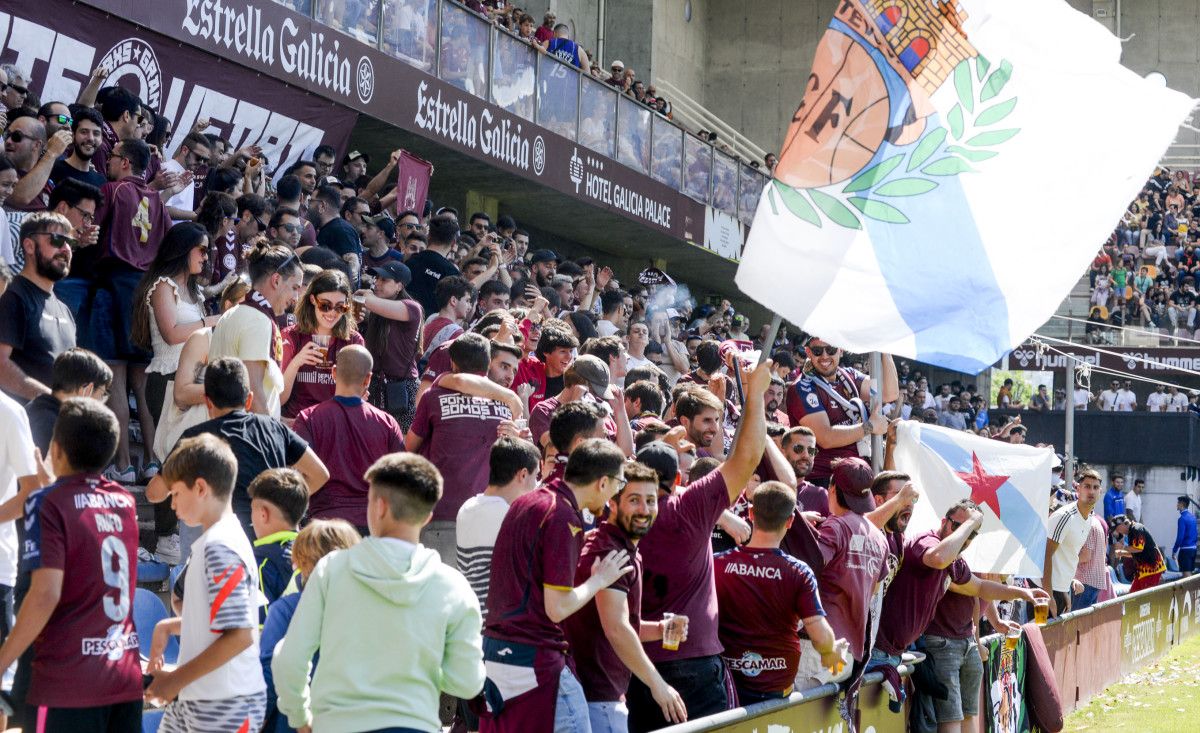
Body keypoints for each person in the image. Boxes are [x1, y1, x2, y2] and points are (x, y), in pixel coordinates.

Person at [273, 452, 486, 732]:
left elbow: (289, 660)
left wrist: (301, 718)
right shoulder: (453, 585)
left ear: (380, 507)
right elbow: (468, 681)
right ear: (427, 517)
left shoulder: (330, 571)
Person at [627, 360, 771, 732]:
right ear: (677, 477)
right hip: (694, 661)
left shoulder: (612, 516)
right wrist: (755, 397)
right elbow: (748, 457)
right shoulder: (689, 505)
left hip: (634, 662)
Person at [0, 398, 141, 733]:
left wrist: (3, 660)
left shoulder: (46, 501)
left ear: (57, 449)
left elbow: (45, 595)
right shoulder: (125, 500)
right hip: (124, 675)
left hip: (67, 683)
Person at [480, 439, 632, 733]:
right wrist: (599, 580)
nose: (618, 493)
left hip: (497, 654)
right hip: (535, 660)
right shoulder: (563, 516)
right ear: (603, 483)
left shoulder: (529, 500)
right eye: (619, 483)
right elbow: (557, 608)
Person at [145, 434, 267, 732]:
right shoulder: (214, 542)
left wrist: (175, 680)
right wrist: (170, 626)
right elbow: (217, 622)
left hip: (225, 705)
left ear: (200, 488)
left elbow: (240, 634)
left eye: (175, 494)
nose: (172, 504)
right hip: (199, 698)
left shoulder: (220, 547)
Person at [563, 461, 689, 731]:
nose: (645, 510)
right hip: (598, 699)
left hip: (593, 695)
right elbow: (616, 629)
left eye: (651, 500)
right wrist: (658, 684)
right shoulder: (613, 553)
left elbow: (611, 621)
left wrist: (660, 629)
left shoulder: (609, 543)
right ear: (613, 503)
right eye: (634, 500)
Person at [146, 357, 328, 541]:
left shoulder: (196, 438)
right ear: (249, 399)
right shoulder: (275, 428)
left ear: (207, 402)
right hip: (274, 542)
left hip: (223, 545)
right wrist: (286, 500)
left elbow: (154, 493)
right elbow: (320, 474)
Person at [872, 500, 1047, 671]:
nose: (964, 537)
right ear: (943, 522)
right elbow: (939, 558)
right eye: (957, 527)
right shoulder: (928, 541)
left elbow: (979, 587)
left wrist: (1024, 593)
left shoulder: (954, 558)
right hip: (880, 649)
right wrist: (971, 522)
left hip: (895, 651)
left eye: (970, 534)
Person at [715, 481, 843, 704]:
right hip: (776, 690)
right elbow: (820, 636)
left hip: (729, 684)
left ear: (751, 514)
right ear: (791, 521)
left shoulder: (718, 564)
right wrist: (831, 652)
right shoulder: (799, 572)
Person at [407, 333, 519, 561]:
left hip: (440, 513)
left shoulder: (433, 396)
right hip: (488, 515)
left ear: (452, 363)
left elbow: (409, 446)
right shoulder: (505, 404)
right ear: (488, 364)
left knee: (439, 593)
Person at [259, 519, 361, 733]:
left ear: (303, 563)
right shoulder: (367, 609)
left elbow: (270, 672)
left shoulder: (287, 609)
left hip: (296, 724)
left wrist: (256, 721)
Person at [294, 345, 404, 533]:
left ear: (334, 372)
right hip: (372, 526)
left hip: (324, 526)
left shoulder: (307, 418)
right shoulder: (387, 423)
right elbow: (402, 480)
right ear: (368, 378)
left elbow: (297, 474)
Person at [209, 242, 304, 417]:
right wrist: (271, 436)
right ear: (276, 280)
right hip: (246, 437)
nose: (296, 298)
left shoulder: (237, 313)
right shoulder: (258, 320)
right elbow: (253, 391)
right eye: (295, 287)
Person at [786, 337, 897, 485]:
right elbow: (826, 437)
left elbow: (888, 393)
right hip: (825, 479)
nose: (825, 356)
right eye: (817, 351)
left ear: (841, 350)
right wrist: (869, 426)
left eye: (831, 350)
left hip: (858, 473)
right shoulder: (802, 387)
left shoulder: (850, 376)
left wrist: (885, 350)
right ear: (808, 352)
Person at [0, 211, 75, 400]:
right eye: (57, 240)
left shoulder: (64, 309)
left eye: (70, 243)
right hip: (19, 425)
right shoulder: (12, 297)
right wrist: (52, 401)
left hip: (58, 425)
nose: (66, 249)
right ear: (29, 245)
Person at [281, 268, 364, 418]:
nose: (332, 313)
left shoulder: (353, 341)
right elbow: (279, 399)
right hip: (297, 424)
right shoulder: (291, 336)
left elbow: (357, 397)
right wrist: (297, 362)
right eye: (325, 305)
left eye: (340, 307)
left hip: (333, 423)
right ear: (312, 299)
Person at [359, 261, 423, 431]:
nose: (377, 283)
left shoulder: (412, 307)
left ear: (399, 286)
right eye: (377, 278)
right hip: (374, 385)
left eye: (384, 280)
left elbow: (369, 301)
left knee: (399, 444)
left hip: (402, 387)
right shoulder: (377, 308)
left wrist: (363, 296)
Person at [24, 347, 111, 454]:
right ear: (87, 390)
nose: (102, 404)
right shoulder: (56, 427)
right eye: (102, 394)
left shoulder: (36, 409)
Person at [1041, 469, 1102, 617]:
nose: (1091, 491)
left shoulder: (1088, 518)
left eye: (1095, 487)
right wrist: (1048, 595)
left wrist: (1065, 589)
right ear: (1078, 489)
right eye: (1087, 486)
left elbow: (1069, 556)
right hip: (1044, 590)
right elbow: (1045, 555)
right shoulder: (1066, 516)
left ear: (1100, 491)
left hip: (1060, 589)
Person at [247, 468, 308, 609]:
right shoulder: (315, 551)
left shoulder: (261, 564)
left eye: (252, 509)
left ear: (263, 514)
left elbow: (261, 625)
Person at [405, 214, 461, 314]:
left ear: (429, 236)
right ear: (453, 243)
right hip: (432, 327)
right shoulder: (452, 273)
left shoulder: (410, 261)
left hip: (403, 318)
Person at [1111, 515, 1167, 593]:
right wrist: (1121, 553)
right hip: (1142, 571)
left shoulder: (1136, 529)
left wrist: (1122, 547)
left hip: (1151, 569)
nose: (1117, 532)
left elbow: (1138, 549)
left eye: (1117, 529)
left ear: (1122, 525)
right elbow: (1136, 552)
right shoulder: (1132, 531)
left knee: (1145, 598)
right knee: (1133, 596)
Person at [1072, 511, 1109, 611]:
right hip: (1095, 580)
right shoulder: (1096, 522)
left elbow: (1086, 556)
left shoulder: (1087, 524)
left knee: (1077, 621)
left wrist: (1068, 561)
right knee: (1086, 621)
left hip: (1086, 581)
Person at [1174, 496, 1197, 577]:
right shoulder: (1193, 517)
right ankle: (1191, 590)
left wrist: (1174, 551)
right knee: (1189, 573)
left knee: (1186, 575)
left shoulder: (1182, 519)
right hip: (1193, 549)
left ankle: (1192, 590)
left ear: (1182, 504)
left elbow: (1180, 537)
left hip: (1185, 550)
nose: (1177, 505)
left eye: (1178, 503)